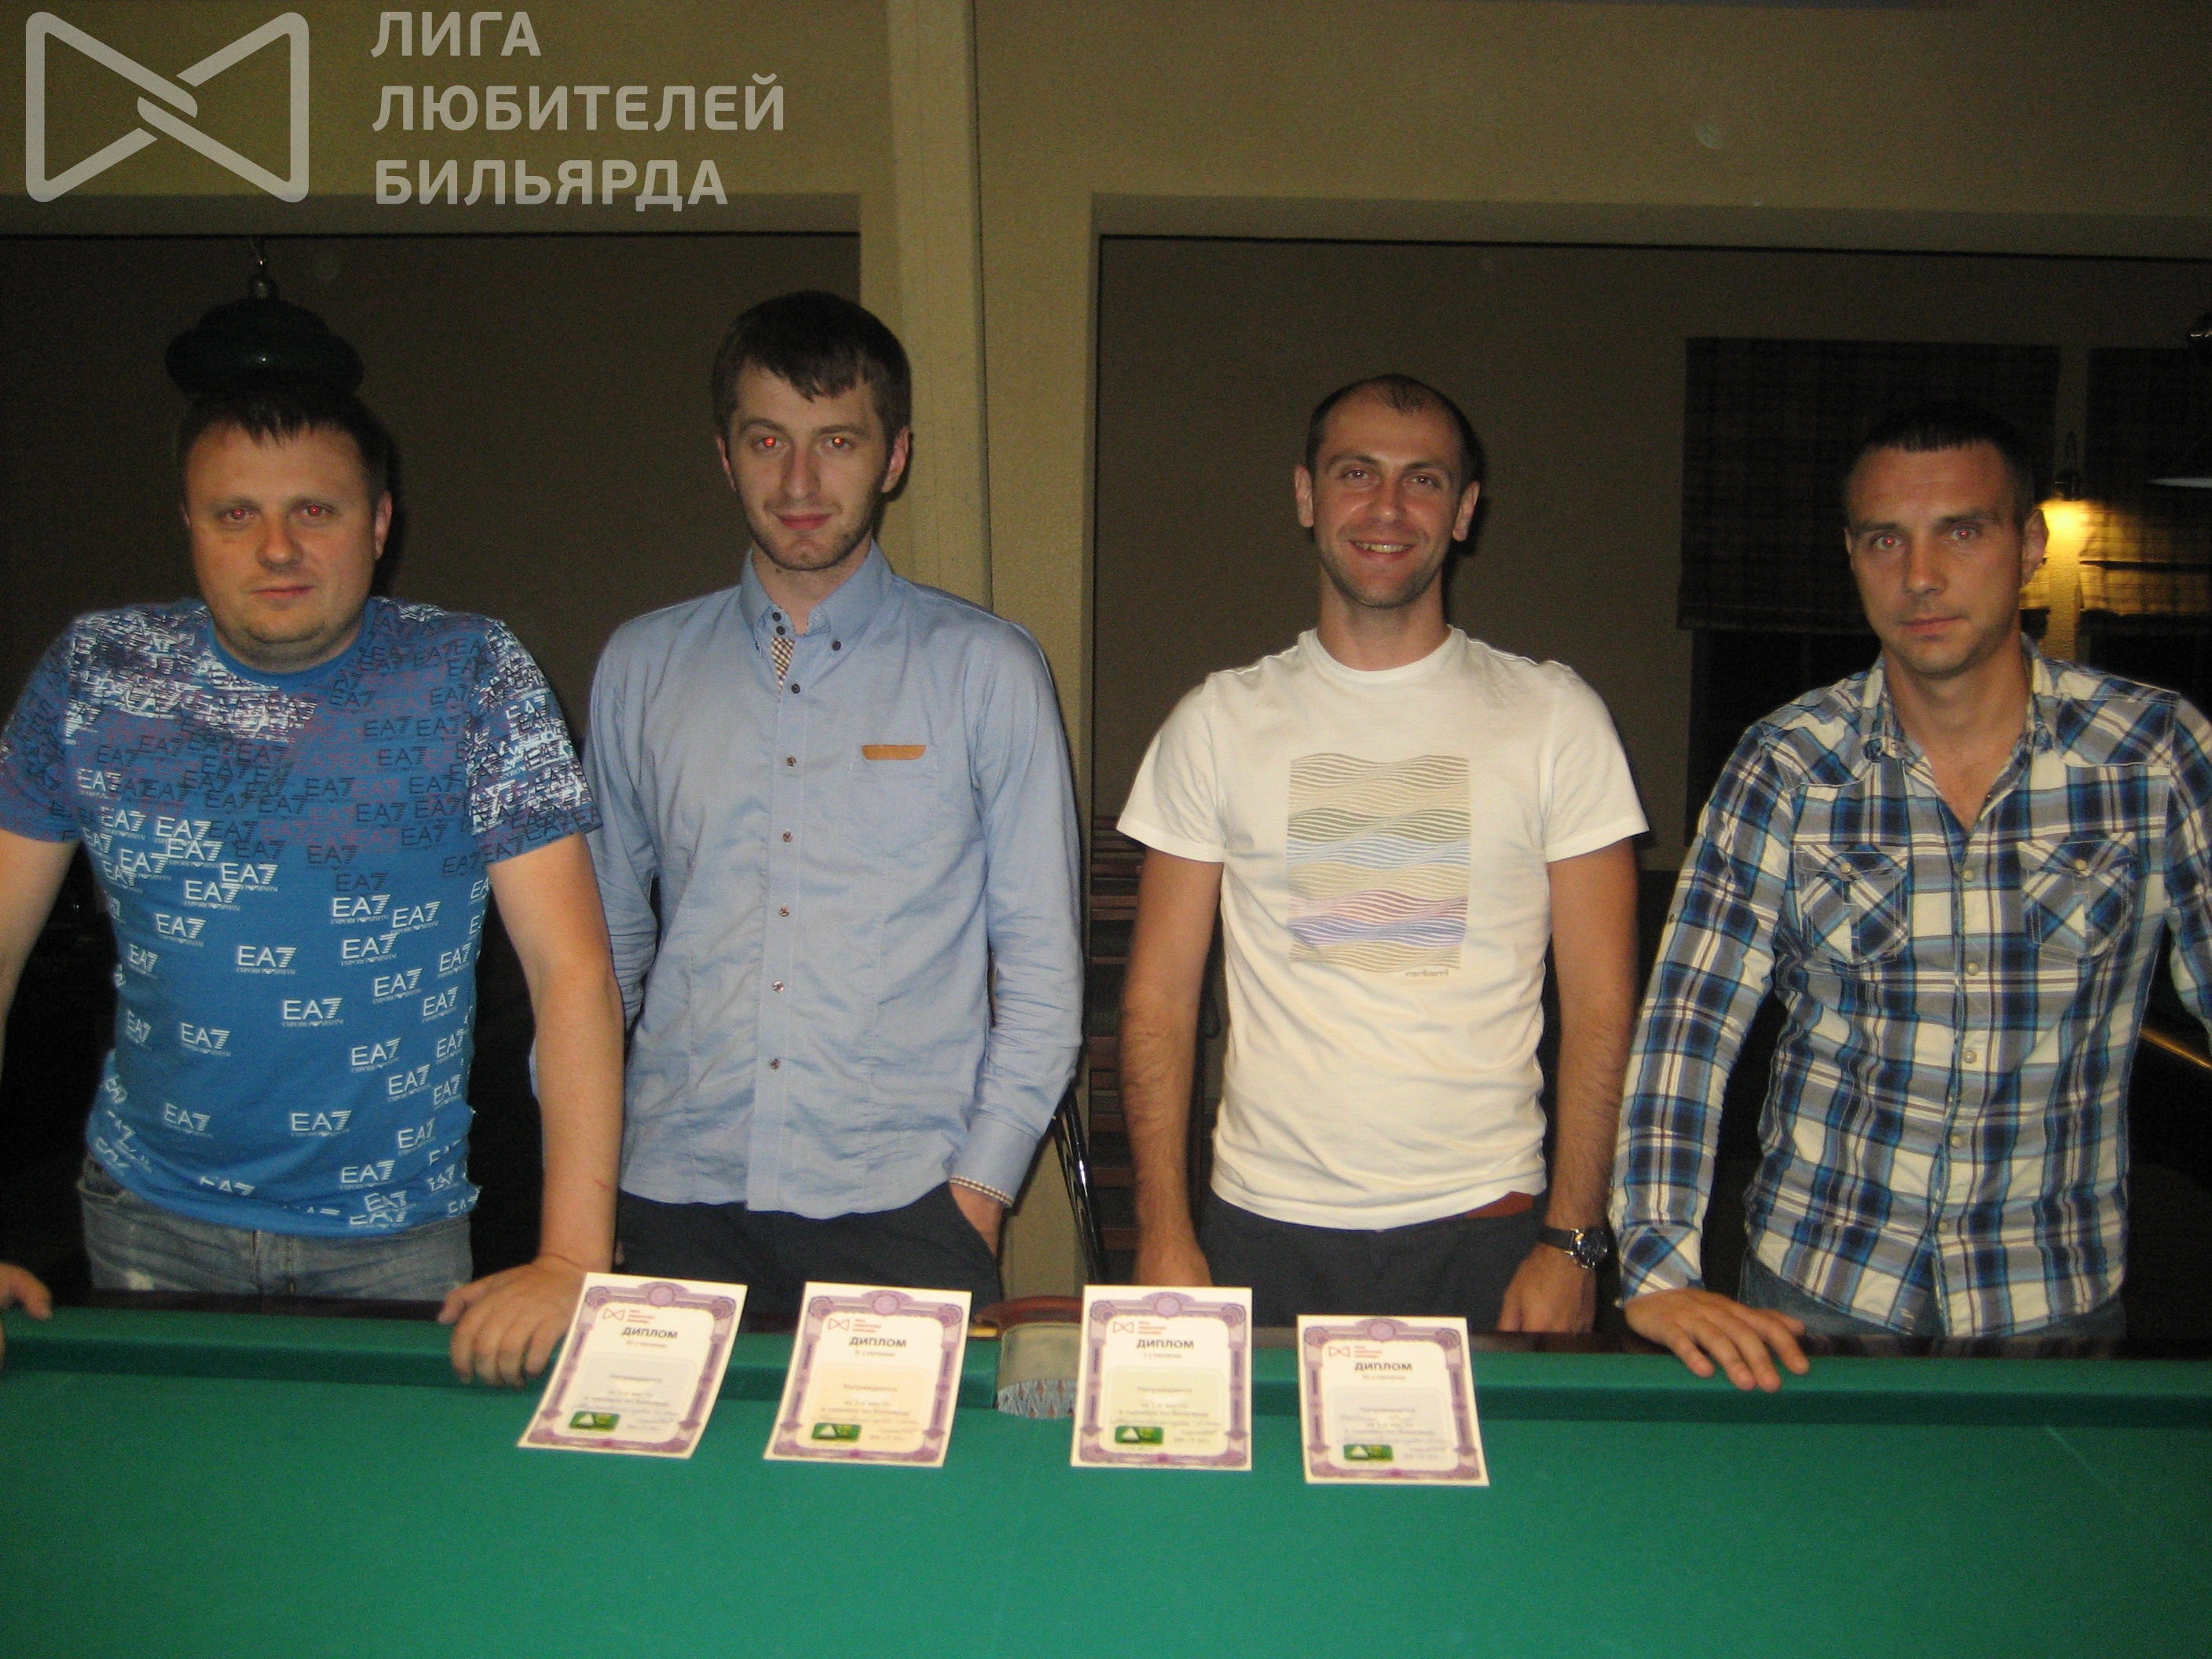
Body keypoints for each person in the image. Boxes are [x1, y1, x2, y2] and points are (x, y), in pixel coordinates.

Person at [0, 376, 624, 1384]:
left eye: (314, 511)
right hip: (148, 1217)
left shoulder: (474, 675)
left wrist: (571, 1258)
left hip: (394, 1233)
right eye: (235, 514)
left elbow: (573, 973)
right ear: (191, 525)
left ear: (378, 523)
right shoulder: (95, 673)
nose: (277, 549)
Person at [1613, 401, 2212, 1390]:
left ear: (2027, 546)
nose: (1919, 576)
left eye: (1960, 532)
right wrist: (1655, 1266)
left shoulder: (2154, 752)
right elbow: (1688, 1025)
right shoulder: (1786, 762)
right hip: (1815, 1291)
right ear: (1850, 554)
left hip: (2052, 1299)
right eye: (1885, 539)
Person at [585, 290, 1082, 1322]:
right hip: (673, 1199)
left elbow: (1042, 968)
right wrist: (586, 1184)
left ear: (893, 457)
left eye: (838, 442)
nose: (800, 483)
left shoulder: (986, 671)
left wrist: (979, 1194)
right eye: (767, 440)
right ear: (725, 456)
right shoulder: (640, 666)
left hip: (907, 1206)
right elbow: (597, 958)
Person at [1118, 374, 1646, 1331]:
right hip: (1261, 1228)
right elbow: (1157, 1003)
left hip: (1488, 1228)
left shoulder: (1554, 719)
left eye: (1423, 480)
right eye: (1355, 473)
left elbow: (1603, 1007)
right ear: (1306, 495)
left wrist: (1572, 1240)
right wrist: (1162, 1232)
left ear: (1464, 511)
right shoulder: (1216, 722)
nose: (1387, 508)